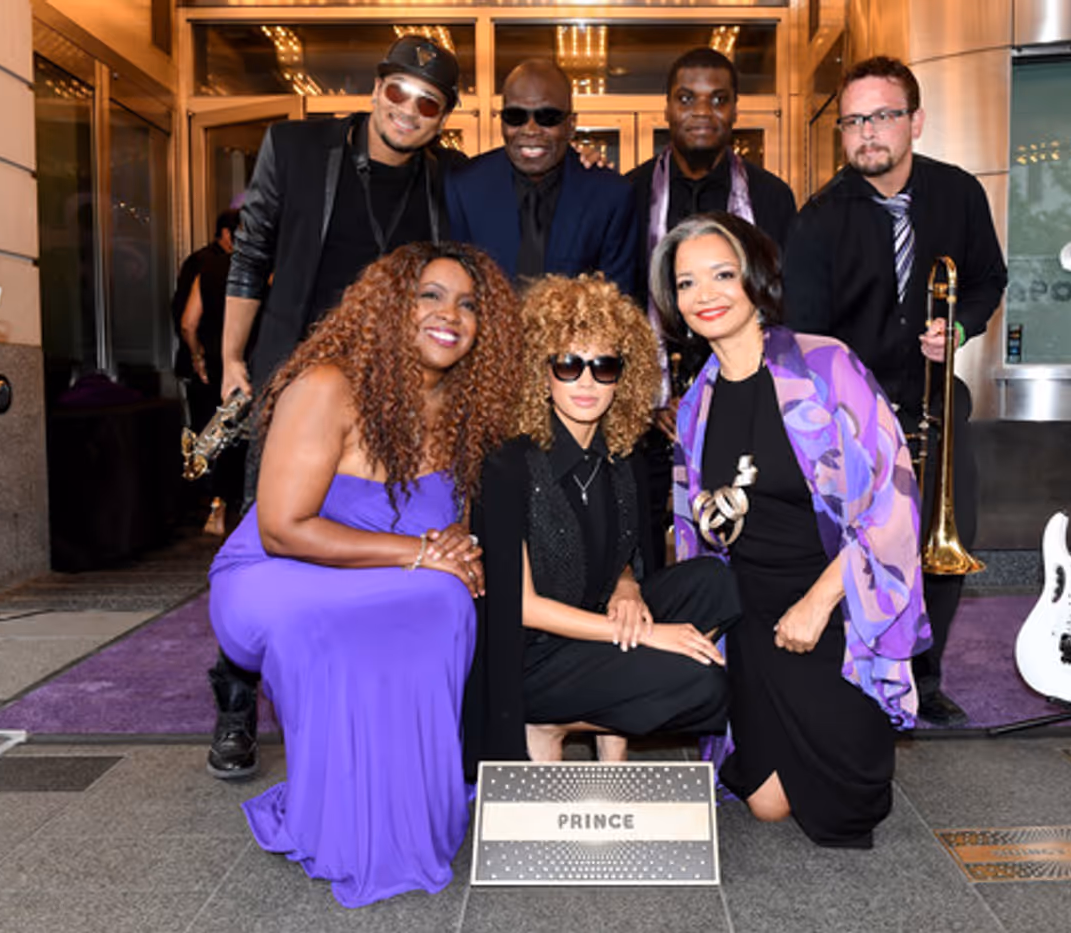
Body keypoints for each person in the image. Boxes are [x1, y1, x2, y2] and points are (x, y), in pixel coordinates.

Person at [207, 241, 522, 907]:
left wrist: (454, 545)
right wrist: (417, 552)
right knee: (336, 622)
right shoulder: (329, 385)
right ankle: (343, 822)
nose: (452, 314)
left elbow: (451, 517)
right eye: (430, 295)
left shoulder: (469, 405)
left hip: (389, 569)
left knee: (445, 600)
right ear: (388, 307)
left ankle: (409, 810)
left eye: (469, 304)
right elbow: (282, 527)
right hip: (278, 573)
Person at [209, 35, 465, 779]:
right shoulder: (296, 147)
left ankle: (346, 692)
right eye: (396, 92)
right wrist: (232, 360)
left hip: (390, 388)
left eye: (427, 104)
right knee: (269, 528)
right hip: (296, 377)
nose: (406, 112)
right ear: (375, 86)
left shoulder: (442, 183)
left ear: (442, 117)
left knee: (362, 534)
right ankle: (235, 703)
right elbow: (251, 253)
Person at [652, 212, 929, 847]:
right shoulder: (697, 401)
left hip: (832, 604)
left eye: (723, 274)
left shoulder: (824, 366)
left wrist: (818, 602)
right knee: (768, 806)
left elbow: (894, 500)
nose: (707, 294)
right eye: (687, 282)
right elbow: (698, 528)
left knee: (847, 814)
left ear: (756, 277)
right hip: (749, 615)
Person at [783, 56, 1007, 727]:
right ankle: (863, 663)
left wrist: (960, 325)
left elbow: (987, 280)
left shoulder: (960, 194)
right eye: (853, 121)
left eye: (881, 116)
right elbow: (808, 335)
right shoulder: (817, 219)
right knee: (862, 543)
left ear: (915, 120)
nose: (866, 133)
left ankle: (924, 676)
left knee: (943, 546)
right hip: (857, 413)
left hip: (938, 400)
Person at [463, 274, 736, 776]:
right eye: (568, 364)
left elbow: (623, 552)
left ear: (623, 375)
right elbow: (521, 608)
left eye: (603, 365)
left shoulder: (624, 454)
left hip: (594, 621)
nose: (586, 382)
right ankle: (545, 721)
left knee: (717, 583)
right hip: (534, 657)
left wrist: (627, 586)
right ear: (539, 371)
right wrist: (646, 635)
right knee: (699, 682)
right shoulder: (507, 464)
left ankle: (610, 741)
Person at [625, 47, 797, 568]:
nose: (702, 111)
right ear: (667, 109)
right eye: (687, 98)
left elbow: (780, 302)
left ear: (736, 110)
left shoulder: (772, 197)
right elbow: (623, 300)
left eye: (718, 99)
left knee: (746, 527)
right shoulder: (628, 193)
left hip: (746, 395)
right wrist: (651, 396)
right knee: (651, 537)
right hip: (651, 406)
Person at [445, 60, 637, 296]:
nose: (531, 129)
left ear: (571, 124)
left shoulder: (610, 195)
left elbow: (618, 301)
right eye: (515, 116)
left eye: (547, 117)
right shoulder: (465, 188)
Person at [177, 209, 243, 530]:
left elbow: (188, 323)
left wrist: (198, 356)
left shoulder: (206, 269)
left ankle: (215, 508)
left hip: (215, 367)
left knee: (214, 434)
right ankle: (233, 509)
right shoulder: (259, 271)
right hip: (247, 366)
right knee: (242, 442)